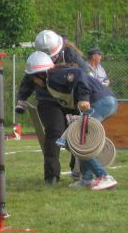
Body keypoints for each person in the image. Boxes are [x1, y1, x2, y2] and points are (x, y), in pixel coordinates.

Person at [24, 51, 118, 191]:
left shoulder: (54, 76)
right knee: (77, 141)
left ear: (40, 74)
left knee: (76, 142)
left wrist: (84, 98)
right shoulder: (53, 78)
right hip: (105, 101)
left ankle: (103, 176)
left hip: (101, 102)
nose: (33, 82)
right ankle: (86, 179)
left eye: (33, 78)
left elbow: (79, 75)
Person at [15, 29, 88, 184]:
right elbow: (29, 77)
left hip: (71, 100)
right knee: (54, 132)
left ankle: (78, 168)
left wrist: (84, 98)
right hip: (48, 100)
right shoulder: (37, 58)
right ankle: (51, 175)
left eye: (53, 56)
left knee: (77, 132)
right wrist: (21, 98)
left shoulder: (70, 55)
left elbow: (84, 76)